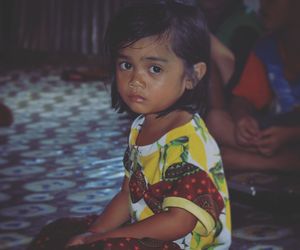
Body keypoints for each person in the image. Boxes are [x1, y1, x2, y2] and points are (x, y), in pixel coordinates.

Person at [27, 1, 231, 250]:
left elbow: (179, 221)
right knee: (59, 232)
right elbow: (128, 195)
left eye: (154, 68)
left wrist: (103, 239)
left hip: (180, 244)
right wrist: (92, 233)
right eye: (126, 65)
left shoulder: (189, 143)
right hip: (149, 233)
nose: (135, 80)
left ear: (192, 76)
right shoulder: (140, 126)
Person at [207, 0, 300, 171]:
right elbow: (243, 98)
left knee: (226, 157)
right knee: (216, 122)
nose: (264, 5)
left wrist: (290, 135)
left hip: (290, 136)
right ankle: (281, 161)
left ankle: (272, 163)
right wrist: (243, 118)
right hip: (276, 135)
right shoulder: (267, 47)